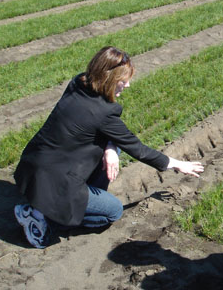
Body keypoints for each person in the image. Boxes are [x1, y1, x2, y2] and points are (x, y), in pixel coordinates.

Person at [14, 46, 204, 249]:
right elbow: (137, 148)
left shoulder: (79, 83)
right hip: (56, 181)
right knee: (112, 212)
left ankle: (61, 201)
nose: (128, 85)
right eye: (123, 80)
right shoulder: (103, 113)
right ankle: (41, 216)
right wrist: (177, 164)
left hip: (36, 164)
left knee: (115, 150)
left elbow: (102, 132)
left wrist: (110, 147)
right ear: (108, 78)